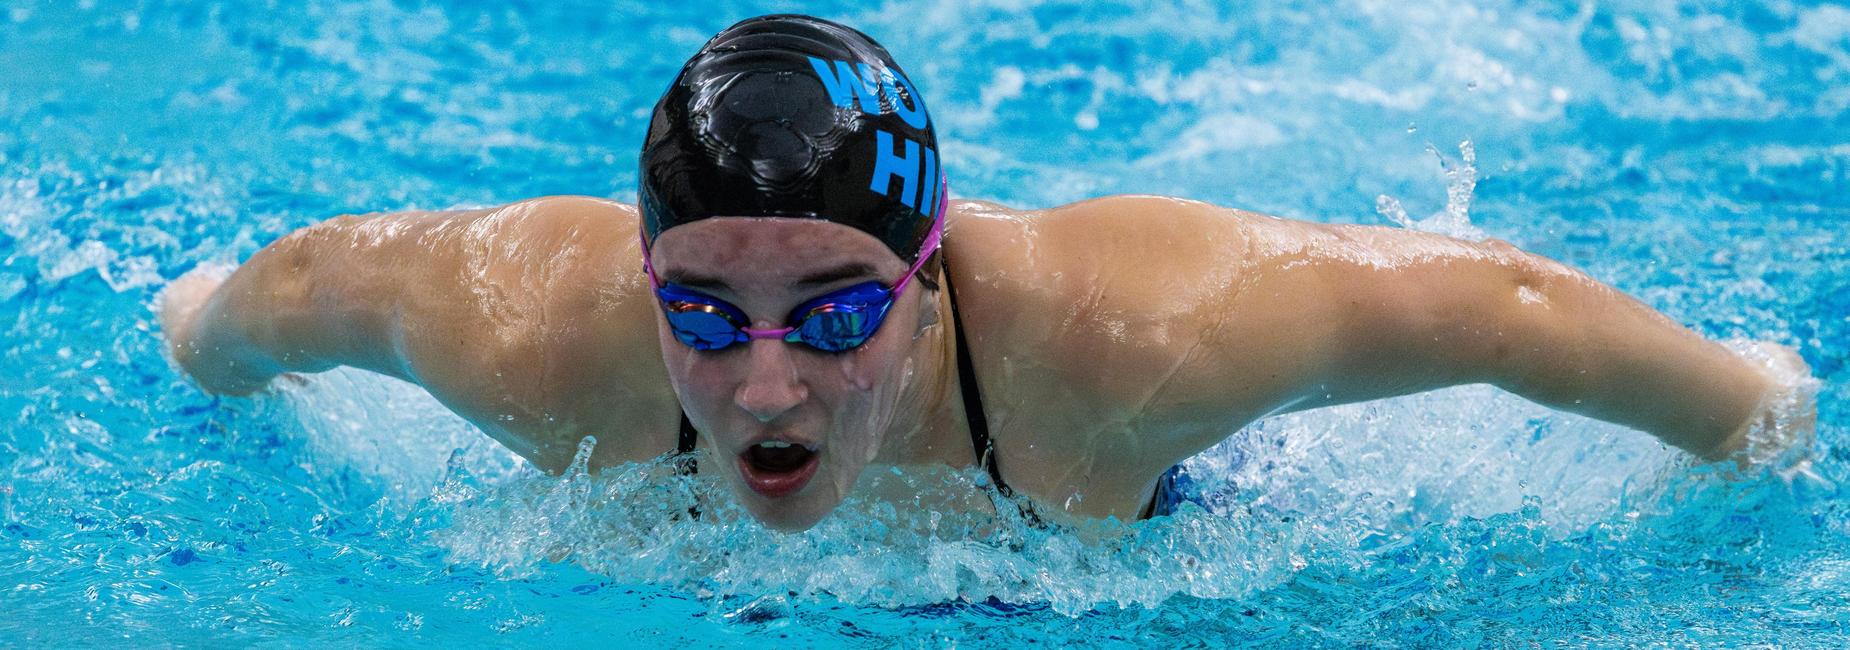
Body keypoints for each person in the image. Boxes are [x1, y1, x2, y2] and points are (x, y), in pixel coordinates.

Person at [158, 14, 1814, 532]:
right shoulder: (533, 331)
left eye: (835, 311)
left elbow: (1497, 310)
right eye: (702, 315)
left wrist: (1753, 418)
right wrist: (199, 348)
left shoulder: (1127, 341)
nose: (763, 383)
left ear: (934, 277)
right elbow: (302, 289)